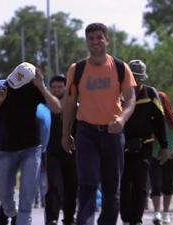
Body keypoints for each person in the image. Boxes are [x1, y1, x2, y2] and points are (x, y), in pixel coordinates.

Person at [62, 23, 136, 225]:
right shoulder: (77, 69)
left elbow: (131, 100)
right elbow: (69, 103)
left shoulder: (121, 68)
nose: (95, 42)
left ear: (106, 40)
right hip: (86, 133)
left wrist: (122, 119)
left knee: (112, 188)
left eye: (99, 37)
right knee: (87, 183)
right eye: (91, 38)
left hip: (112, 133)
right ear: (87, 42)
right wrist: (65, 133)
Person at [0, 62, 61, 225]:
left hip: (31, 149)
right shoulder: (2, 87)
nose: (15, 83)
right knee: (4, 194)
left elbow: (56, 108)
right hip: (6, 149)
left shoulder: (34, 89)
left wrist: (41, 87)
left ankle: (22, 219)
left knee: (27, 195)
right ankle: (12, 213)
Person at [120, 59, 167, 225]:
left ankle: (136, 219)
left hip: (145, 144)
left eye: (139, 77)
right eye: (133, 77)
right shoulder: (119, 94)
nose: (136, 80)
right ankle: (126, 218)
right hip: (122, 145)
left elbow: (159, 121)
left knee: (140, 183)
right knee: (124, 182)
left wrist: (164, 146)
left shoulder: (150, 93)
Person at [45, 75, 78, 225]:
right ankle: (52, 219)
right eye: (54, 87)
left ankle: (69, 219)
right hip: (52, 154)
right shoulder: (46, 107)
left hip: (72, 154)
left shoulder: (75, 107)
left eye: (60, 87)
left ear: (66, 88)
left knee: (71, 189)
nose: (56, 89)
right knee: (54, 186)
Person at [149, 91, 173, 225]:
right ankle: (157, 213)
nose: (160, 103)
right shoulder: (151, 117)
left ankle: (166, 213)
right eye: (157, 101)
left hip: (171, 155)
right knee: (155, 184)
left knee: (168, 185)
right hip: (154, 154)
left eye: (162, 100)